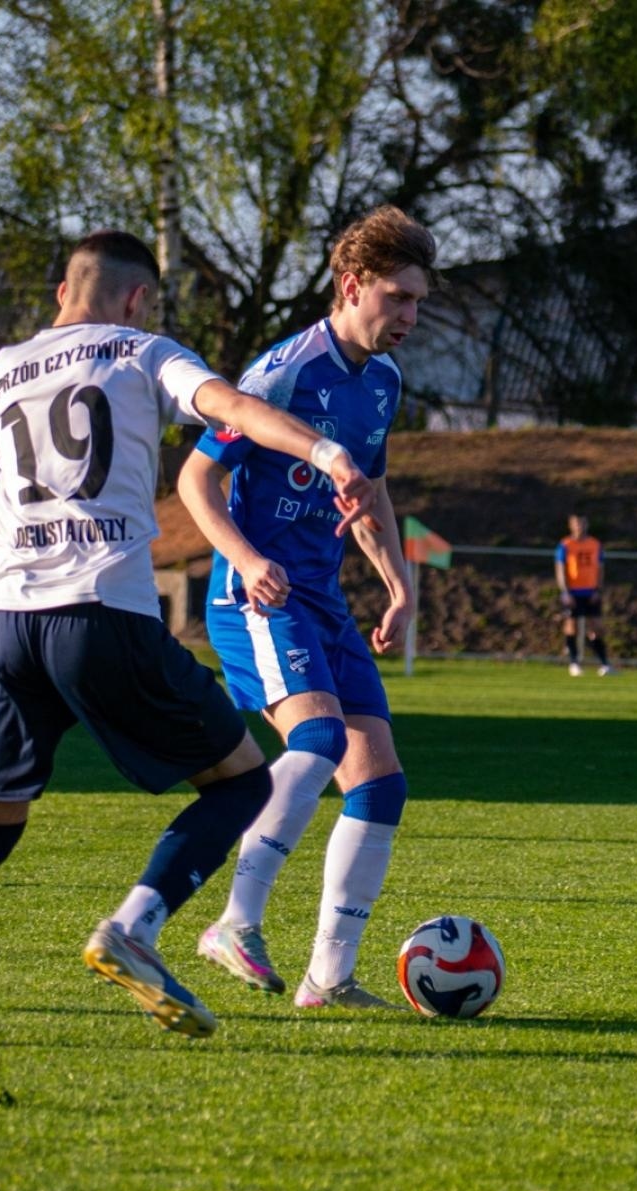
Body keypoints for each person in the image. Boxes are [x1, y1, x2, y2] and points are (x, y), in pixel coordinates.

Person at [0, 230, 372, 1041]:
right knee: (242, 784)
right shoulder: (142, 351)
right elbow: (235, 410)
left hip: (8, 629)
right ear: (136, 298)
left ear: (64, 288)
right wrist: (322, 447)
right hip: (103, 616)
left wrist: (19, 577)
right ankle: (135, 927)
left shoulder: (0, 369)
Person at [178, 205, 434, 1008]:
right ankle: (234, 922)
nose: (409, 317)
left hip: (321, 595)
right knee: (320, 738)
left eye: (419, 303)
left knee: (381, 782)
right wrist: (247, 559)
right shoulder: (284, 372)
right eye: (397, 298)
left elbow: (372, 492)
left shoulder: (384, 383)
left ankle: (329, 976)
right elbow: (194, 480)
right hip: (257, 591)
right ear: (352, 286)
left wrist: (396, 583)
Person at [555, 514, 614, 676]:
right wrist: (565, 592)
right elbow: (561, 569)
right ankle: (574, 663)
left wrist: (598, 590)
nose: (579, 527)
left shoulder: (595, 544)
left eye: (582, 523)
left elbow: (600, 568)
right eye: (576, 524)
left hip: (591, 591)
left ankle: (604, 664)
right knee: (571, 626)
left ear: (586, 524)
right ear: (570, 526)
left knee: (597, 627)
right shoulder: (565, 545)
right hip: (573, 591)